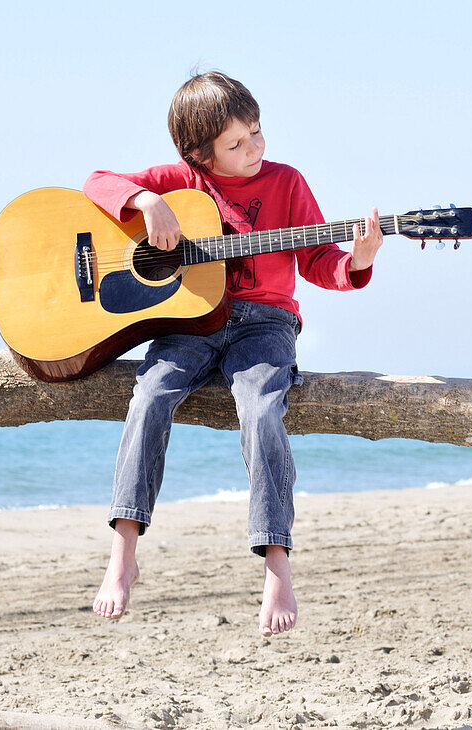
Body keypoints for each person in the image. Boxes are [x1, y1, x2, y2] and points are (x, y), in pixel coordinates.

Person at [83, 71, 383, 636]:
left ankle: (277, 563)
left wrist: (359, 260)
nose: (255, 149)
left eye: (257, 134)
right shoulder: (177, 179)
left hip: (264, 323)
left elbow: (321, 262)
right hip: (191, 319)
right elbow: (96, 183)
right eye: (237, 144)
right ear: (198, 153)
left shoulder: (286, 182)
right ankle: (123, 552)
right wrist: (149, 203)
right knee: (148, 397)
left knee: (263, 410)